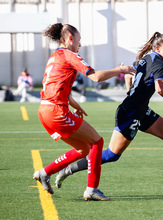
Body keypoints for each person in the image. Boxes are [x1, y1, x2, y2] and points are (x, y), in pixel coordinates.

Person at [56, 32, 163, 194]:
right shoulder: (159, 64)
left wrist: (132, 88)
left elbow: (134, 75)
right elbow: (160, 89)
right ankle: (68, 169)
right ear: (157, 48)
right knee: (111, 155)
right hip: (131, 113)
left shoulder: (147, 58)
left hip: (140, 110)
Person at [33, 23, 135, 201]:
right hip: (56, 111)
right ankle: (92, 189)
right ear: (70, 39)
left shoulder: (55, 56)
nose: (80, 44)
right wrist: (120, 70)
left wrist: (75, 104)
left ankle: (44, 173)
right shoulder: (70, 55)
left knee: (83, 148)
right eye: (79, 40)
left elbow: (55, 86)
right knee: (97, 141)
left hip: (44, 110)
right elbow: (95, 77)